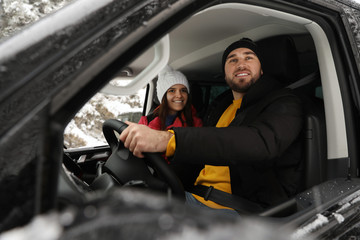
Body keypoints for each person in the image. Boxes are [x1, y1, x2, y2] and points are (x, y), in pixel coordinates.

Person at [119, 38, 303, 214]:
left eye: (249, 57)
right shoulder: (220, 107)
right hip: (194, 196)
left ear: (261, 69)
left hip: (239, 208)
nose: (241, 64)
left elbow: (259, 141)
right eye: (233, 60)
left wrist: (166, 139)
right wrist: (157, 180)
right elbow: (197, 157)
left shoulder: (284, 102)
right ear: (225, 73)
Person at [138, 65, 202, 130]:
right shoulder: (146, 122)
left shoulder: (195, 123)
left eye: (183, 90)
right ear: (163, 96)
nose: (179, 95)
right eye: (172, 91)